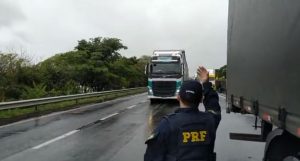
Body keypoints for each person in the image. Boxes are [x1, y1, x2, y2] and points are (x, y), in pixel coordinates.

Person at [144, 66, 221, 161]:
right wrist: (206, 83)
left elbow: (152, 156)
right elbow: (213, 105)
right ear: (201, 99)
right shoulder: (210, 120)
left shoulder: (167, 124)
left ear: (178, 97)